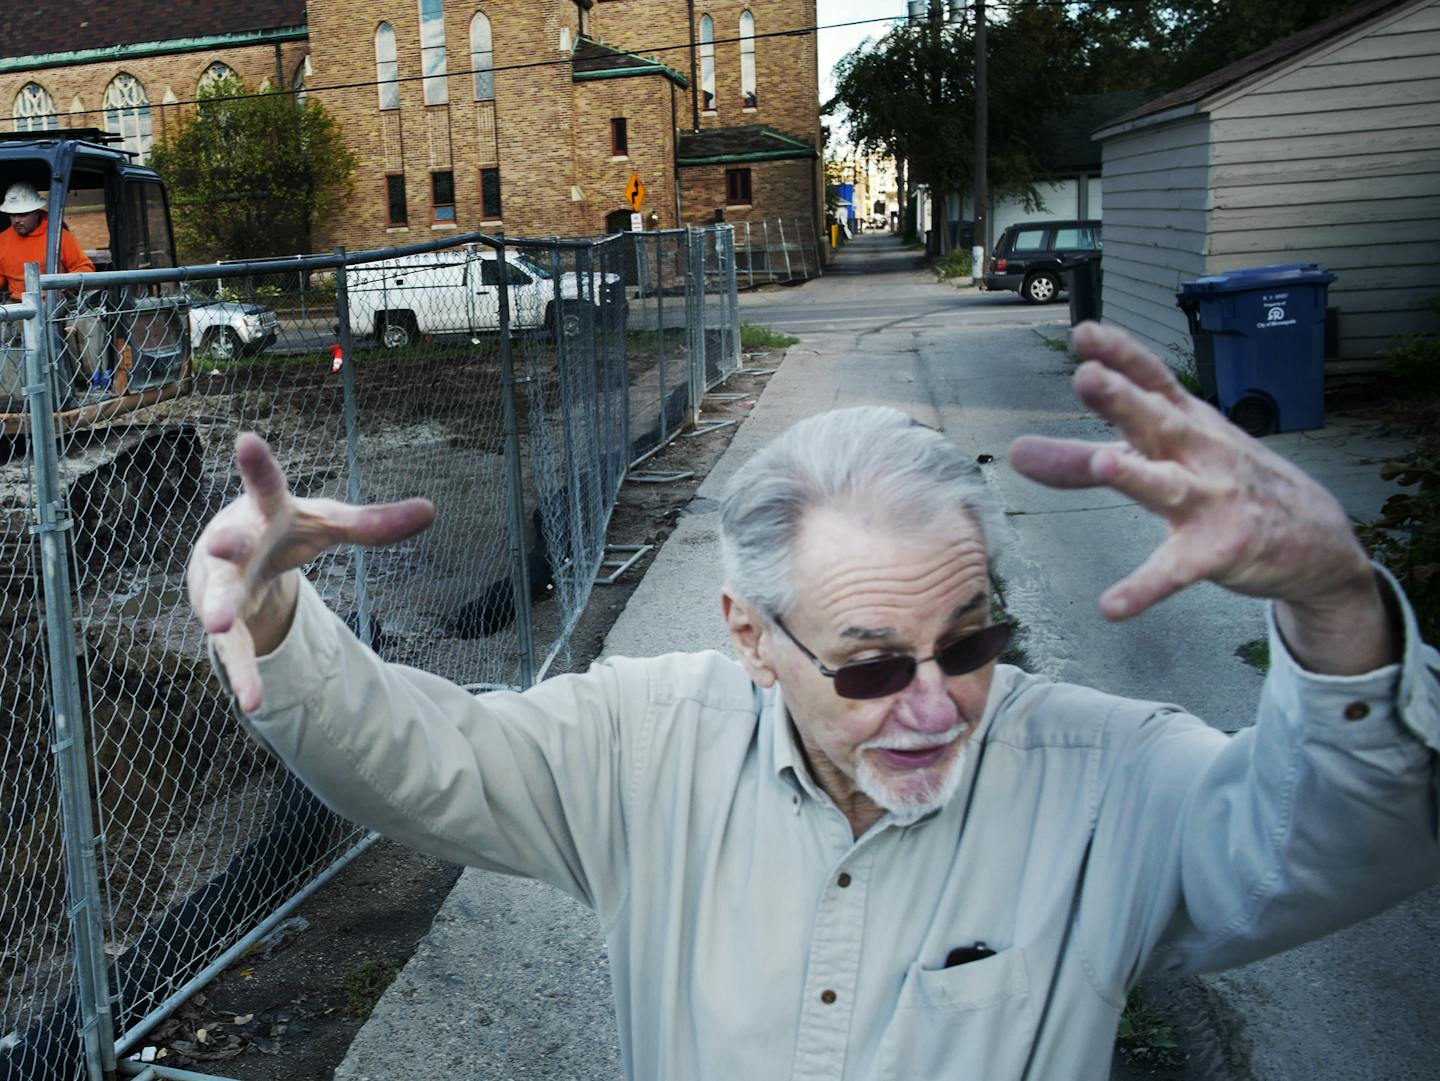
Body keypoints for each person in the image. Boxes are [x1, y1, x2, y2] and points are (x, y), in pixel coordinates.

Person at [189, 322, 1440, 1080]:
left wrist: (1337, 608)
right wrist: (280, 613)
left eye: (972, 642)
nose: (939, 705)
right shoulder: (642, 745)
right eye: (874, 665)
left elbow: (1333, 845)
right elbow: (424, 759)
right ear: (748, 633)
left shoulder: (1103, 776)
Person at [0, 180, 96, 300]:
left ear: (36, 213)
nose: (17, 220)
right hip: (17, 305)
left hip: (55, 303)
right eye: (13, 215)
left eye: (22, 215)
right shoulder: (2, 240)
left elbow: (85, 268)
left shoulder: (59, 236)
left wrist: (64, 286)